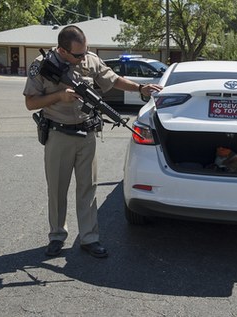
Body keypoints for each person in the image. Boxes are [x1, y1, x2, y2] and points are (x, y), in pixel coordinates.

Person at [23, 25, 162, 258]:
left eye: (85, 52)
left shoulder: (90, 60)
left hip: (87, 134)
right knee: (57, 189)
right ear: (62, 50)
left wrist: (141, 88)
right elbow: (30, 103)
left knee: (88, 188)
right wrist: (59, 96)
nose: (82, 58)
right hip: (58, 134)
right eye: (77, 55)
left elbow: (113, 79)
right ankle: (57, 236)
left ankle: (89, 238)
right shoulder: (40, 64)